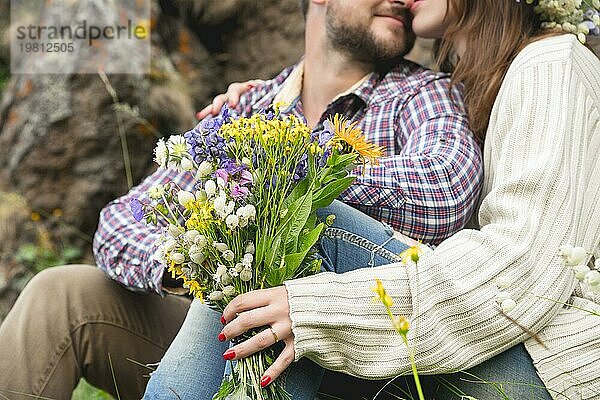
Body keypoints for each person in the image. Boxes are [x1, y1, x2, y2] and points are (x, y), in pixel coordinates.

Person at [0, 0, 483, 399]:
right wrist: (196, 260)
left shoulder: (422, 94)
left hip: (345, 349)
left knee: (286, 247)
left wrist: (290, 173)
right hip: (217, 325)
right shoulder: (250, 106)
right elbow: (122, 219)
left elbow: (447, 192)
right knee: (60, 294)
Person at [144, 0, 600, 399]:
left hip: (545, 372)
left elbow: (520, 268)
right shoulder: (490, 80)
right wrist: (196, 253)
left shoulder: (550, 64)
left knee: (303, 215)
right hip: (496, 343)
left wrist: (316, 309)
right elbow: (130, 213)